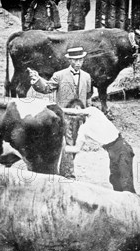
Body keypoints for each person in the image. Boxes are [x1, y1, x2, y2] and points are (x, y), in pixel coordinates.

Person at [29, 46, 93, 178]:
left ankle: (64, 170)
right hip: (63, 116)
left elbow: (88, 97)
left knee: (73, 144)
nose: (77, 63)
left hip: (79, 117)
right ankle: (68, 175)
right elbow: (46, 88)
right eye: (74, 60)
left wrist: (87, 114)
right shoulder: (60, 75)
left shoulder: (87, 77)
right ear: (69, 61)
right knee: (67, 144)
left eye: (80, 60)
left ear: (83, 60)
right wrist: (37, 80)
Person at [63, 102, 136, 193]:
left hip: (122, 147)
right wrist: (61, 148)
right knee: (115, 181)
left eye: (73, 113)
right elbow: (76, 149)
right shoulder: (83, 129)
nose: (73, 117)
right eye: (71, 116)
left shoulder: (93, 112)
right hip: (111, 152)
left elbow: (78, 112)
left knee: (126, 183)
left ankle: (134, 205)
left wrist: (60, 109)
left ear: (78, 108)